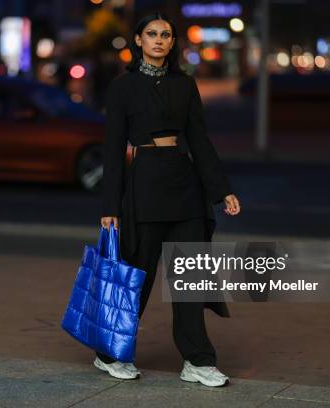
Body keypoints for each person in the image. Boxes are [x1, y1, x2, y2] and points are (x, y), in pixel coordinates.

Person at [96, 12, 241, 387]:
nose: (159, 40)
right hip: (144, 184)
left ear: (173, 43)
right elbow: (112, 151)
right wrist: (109, 207)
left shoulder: (185, 85)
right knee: (136, 278)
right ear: (139, 41)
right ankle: (110, 353)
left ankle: (198, 360)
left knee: (191, 278)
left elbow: (200, 140)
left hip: (184, 183)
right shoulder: (122, 87)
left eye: (166, 35)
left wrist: (221, 189)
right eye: (151, 34)